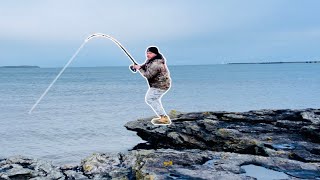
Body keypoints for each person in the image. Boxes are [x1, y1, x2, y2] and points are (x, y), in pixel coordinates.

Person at [131, 46, 172, 125]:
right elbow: (146, 65)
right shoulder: (152, 60)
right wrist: (139, 66)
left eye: (150, 53)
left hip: (161, 85)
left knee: (150, 99)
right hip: (159, 84)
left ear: (155, 54)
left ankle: (164, 118)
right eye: (147, 53)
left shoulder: (156, 64)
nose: (148, 55)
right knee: (153, 99)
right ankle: (163, 116)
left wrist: (139, 69)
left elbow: (148, 75)